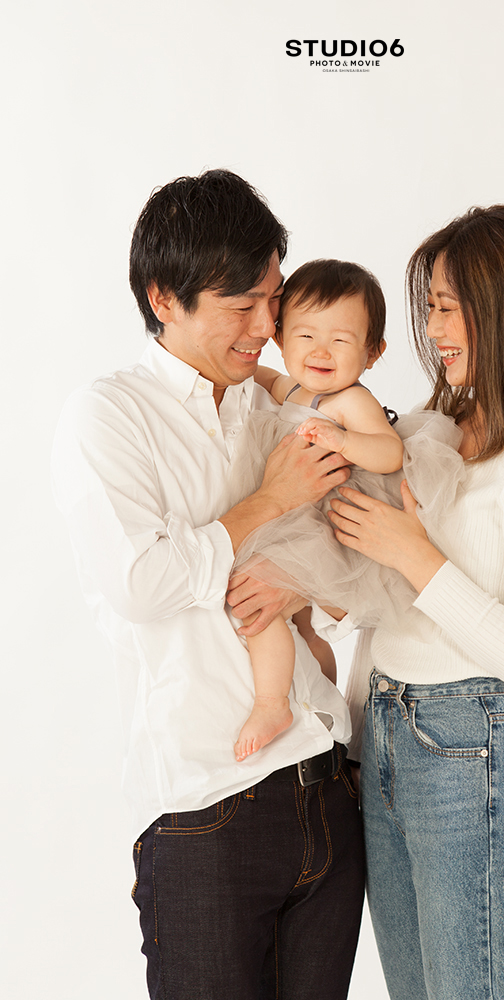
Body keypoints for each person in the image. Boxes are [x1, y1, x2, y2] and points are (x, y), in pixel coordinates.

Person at [51, 169, 365, 1000]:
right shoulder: (108, 414)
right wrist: (268, 503)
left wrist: (298, 582)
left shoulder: (275, 408)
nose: (268, 326)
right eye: (241, 304)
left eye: (273, 298)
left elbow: (357, 573)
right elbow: (142, 583)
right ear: (164, 298)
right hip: (207, 809)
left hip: (326, 787)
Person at [327, 206, 504, 1000]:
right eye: (431, 306)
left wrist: (412, 554)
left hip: (469, 749)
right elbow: (385, 597)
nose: (431, 327)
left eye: (449, 307)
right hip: (383, 734)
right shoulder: (434, 430)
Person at [231, 258, 463, 762]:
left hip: (327, 524)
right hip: (296, 514)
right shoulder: (293, 389)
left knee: (258, 603)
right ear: (279, 338)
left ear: (372, 352)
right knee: (302, 627)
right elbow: (263, 377)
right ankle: (319, 701)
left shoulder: (350, 400)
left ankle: (272, 704)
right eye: (305, 336)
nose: (320, 351)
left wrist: (342, 440)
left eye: (340, 340)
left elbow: (389, 452)